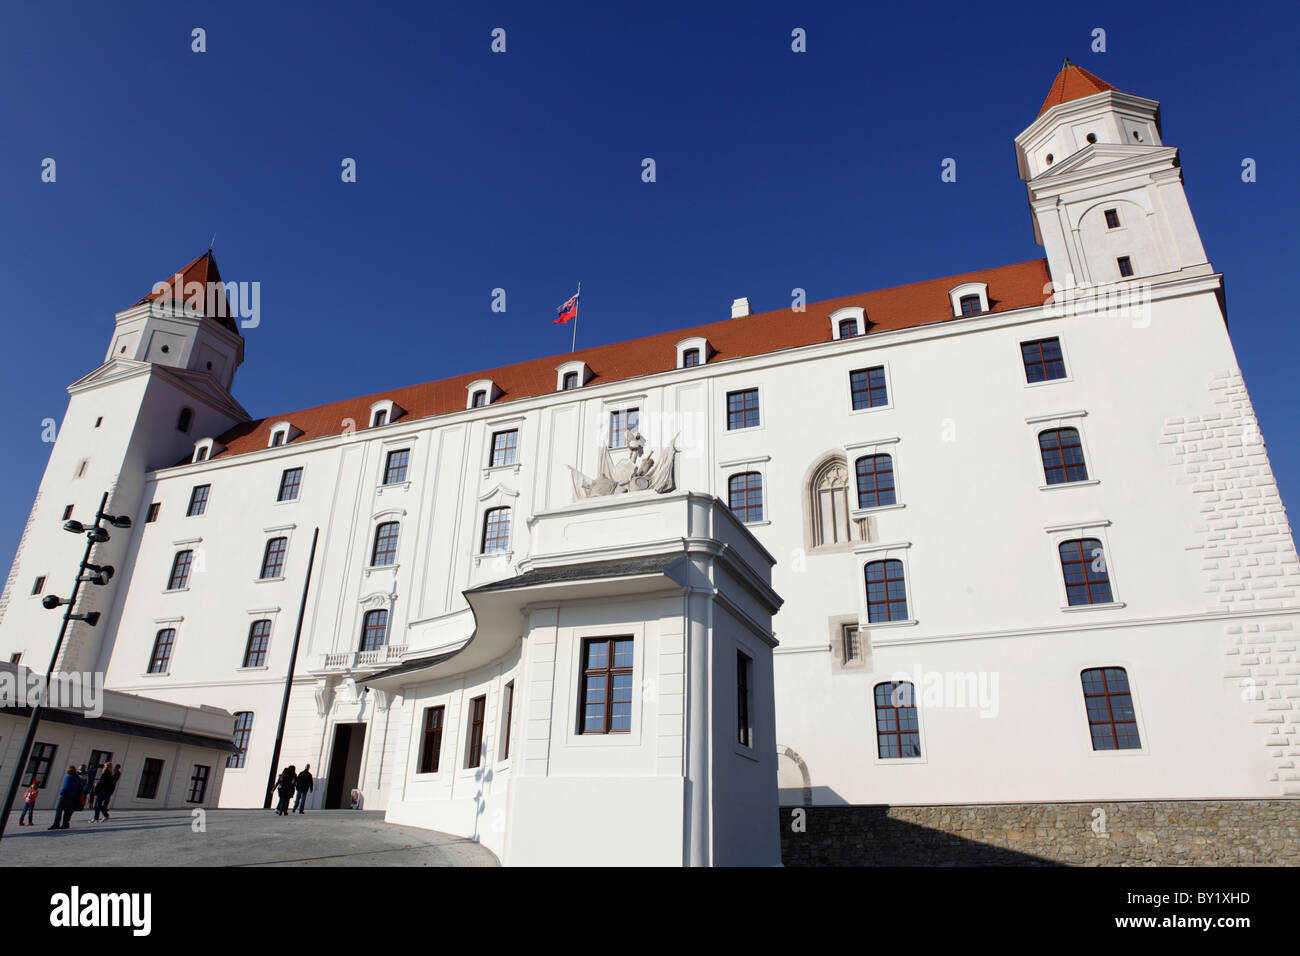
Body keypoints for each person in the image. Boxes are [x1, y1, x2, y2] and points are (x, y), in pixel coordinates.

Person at [48, 765, 83, 830]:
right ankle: (65, 824)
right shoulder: (78, 778)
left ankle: (56, 824)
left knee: (59, 810)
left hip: (65, 795)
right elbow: (80, 788)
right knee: (67, 811)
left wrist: (61, 792)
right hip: (72, 796)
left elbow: (65, 786)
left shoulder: (69, 777)